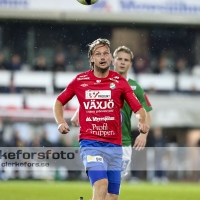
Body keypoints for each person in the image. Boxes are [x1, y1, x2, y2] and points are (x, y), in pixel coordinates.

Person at [53, 38, 149, 200]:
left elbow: (138, 108)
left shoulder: (119, 82)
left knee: (112, 196)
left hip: (114, 146)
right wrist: (61, 121)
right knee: (101, 184)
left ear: (111, 58)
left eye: (106, 54)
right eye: (98, 54)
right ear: (91, 58)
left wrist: (141, 121)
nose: (103, 57)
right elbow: (59, 101)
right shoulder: (80, 81)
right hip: (91, 143)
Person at [71, 46, 153, 179]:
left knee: (113, 187)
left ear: (130, 64)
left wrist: (143, 135)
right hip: (99, 139)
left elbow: (146, 113)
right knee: (101, 181)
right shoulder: (101, 81)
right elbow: (91, 98)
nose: (122, 62)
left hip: (123, 141)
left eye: (126, 60)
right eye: (119, 59)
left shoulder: (135, 87)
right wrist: (78, 112)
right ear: (113, 61)